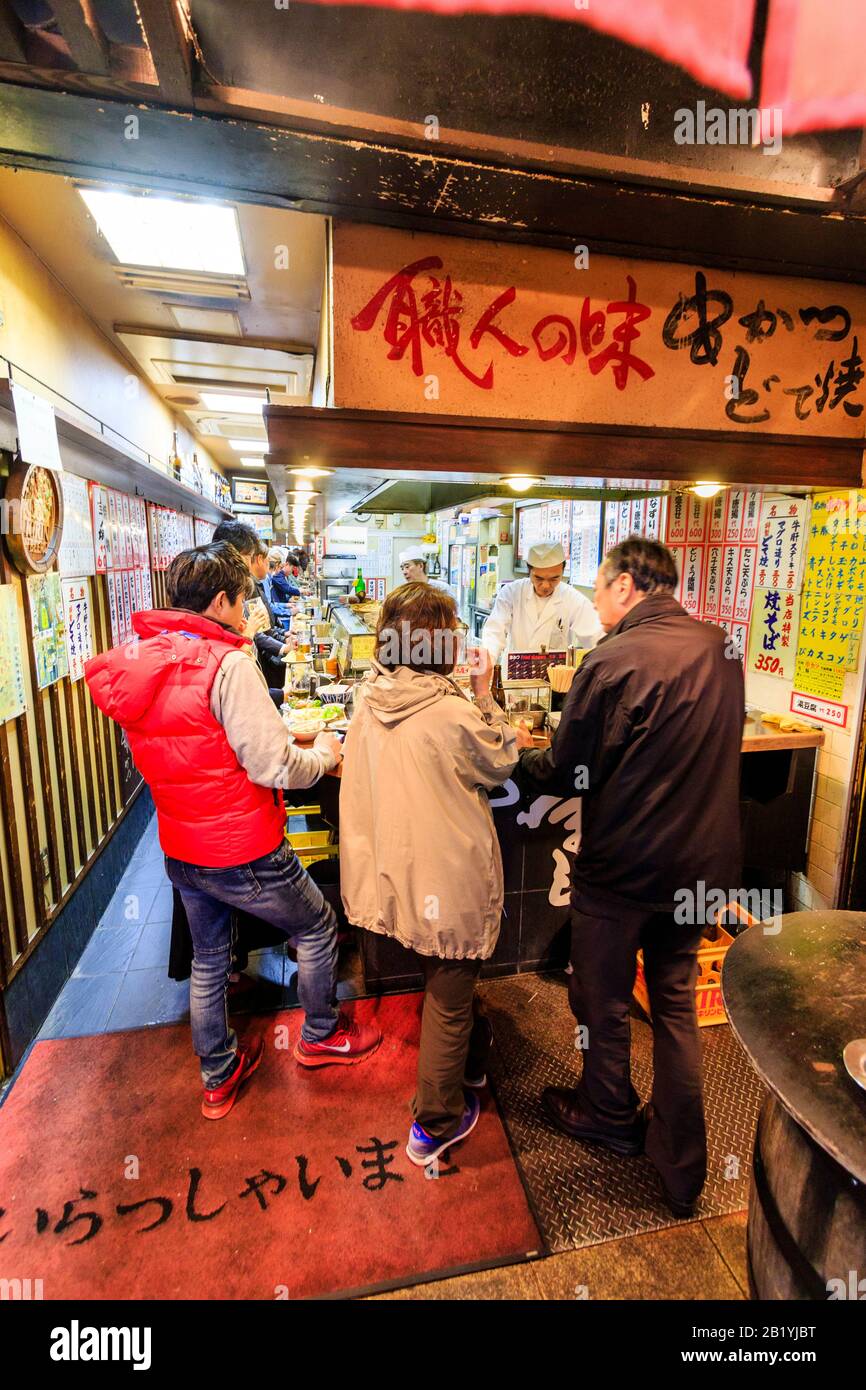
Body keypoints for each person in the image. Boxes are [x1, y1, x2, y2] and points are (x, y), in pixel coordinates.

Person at [85, 542, 381, 1120]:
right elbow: (273, 767)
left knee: (210, 957)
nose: (247, 610)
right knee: (319, 925)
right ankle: (320, 1036)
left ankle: (217, 1075)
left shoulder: (141, 661)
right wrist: (322, 753)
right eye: (243, 598)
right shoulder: (228, 664)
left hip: (181, 845)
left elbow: (171, 751)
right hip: (244, 847)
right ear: (221, 600)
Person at [515, 536, 744, 1216]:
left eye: (599, 585)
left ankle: (608, 1115)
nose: (595, 599)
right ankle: (682, 1166)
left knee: (602, 1001)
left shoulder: (612, 660)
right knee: (674, 1008)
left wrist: (521, 757)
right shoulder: (720, 648)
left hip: (623, 870)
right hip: (699, 869)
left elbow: (563, 767)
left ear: (625, 586)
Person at [339, 583, 518, 1168]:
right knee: (450, 992)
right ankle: (434, 1125)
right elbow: (503, 761)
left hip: (396, 872)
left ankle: (464, 1066)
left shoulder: (368, 699)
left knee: (440, 979)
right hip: (445, 876)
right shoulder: (450, 711)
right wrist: (485, 695)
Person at [482, 540, 603, 665]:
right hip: (515, 675)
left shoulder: (573, 599)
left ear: (562, 571)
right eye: (538, 578)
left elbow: (596, 637)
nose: (545, 586)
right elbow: (494, 632)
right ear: (529, 571)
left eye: (554, 578)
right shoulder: (511, 593)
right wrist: (487, 663)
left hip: (555, 679)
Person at [212, 521, 289, 689]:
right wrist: (249, 633)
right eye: (248, 557)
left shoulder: (238, 586)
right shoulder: (229, 590)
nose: (249, 565)